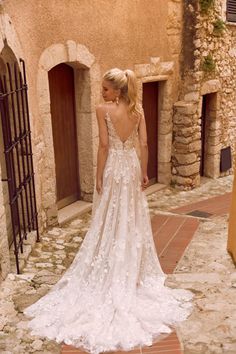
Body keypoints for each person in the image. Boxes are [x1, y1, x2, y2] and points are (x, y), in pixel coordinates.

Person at [24, 68, 193, 354]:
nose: (101, 93)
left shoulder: (103, 110)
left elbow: (103, 145)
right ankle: (129, 267)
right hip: (132, 167)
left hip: (115, 167)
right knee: (131, 217)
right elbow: (144, 143)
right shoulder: (138, 110)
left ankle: (113, 263)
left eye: (105, 88)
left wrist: (99, 175)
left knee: (110, 216)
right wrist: (145, 172)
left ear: (116, 90)